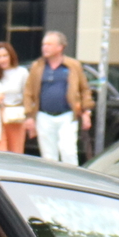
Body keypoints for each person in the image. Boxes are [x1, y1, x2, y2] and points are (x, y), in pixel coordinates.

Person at [24, 31, 91, 163]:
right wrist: (29, 116)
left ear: (60, 47)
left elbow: (84, 89)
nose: (45, 47)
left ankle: (71, 181)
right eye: (44, 44)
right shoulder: (37, 66)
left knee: (69, 151)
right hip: (44, 116)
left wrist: (86, 111)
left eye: (49, 44)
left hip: (67, 115)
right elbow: (28, 92)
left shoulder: (73, 65)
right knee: (48, 156)